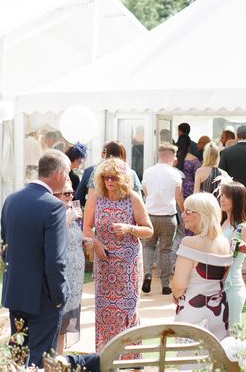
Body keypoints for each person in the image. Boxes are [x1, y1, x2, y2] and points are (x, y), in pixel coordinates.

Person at [0, 150, 100, 371]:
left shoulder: (11, 200)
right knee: (42, 359)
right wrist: (60, 295)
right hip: (44, 297)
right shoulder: (53, 206)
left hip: (15, 292)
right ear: (59, 173)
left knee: (17, 357)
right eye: (67, 175)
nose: (68, 180)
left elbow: (5, 249)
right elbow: (55, 259)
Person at [83, 158, 153, 352]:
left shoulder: (132, 198)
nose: (109, 181)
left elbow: (149, 230)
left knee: (128, 309)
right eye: (105, 177)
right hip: (105, 264)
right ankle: (105, 356)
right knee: (105, 310)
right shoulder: (97, 197)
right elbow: (86, 227)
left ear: (122, 178)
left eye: (113, 177)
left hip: (128, 265)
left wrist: (130, 228)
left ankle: (130, 357)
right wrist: (96, 243)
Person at [172, 193, 234, 340]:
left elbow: (179, 286)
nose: (183, 214)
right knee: (215, 358)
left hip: (193, 312)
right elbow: (223, 279)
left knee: (188, 359)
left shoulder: (189, 242)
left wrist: (175, 295)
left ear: (202, 215)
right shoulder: (225, 243)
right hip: (219, 312)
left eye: (188, 211)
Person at [141, 144, 184, 295]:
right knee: (165, 250)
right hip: (168, 216)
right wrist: (184, 211)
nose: (175, 158)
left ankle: (147, 274)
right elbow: (178, 196)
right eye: (174, 156)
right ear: (168, 156)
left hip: (150, 215)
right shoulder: (175, 173)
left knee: (148, 246)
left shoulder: (148, 172)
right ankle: (165, 284)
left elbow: (145, 191)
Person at [54, 178, 85, 354]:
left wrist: (85, 241)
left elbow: (73, 239)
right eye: (66, 193)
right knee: (58, 319)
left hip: (76, 277)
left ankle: (59, 357)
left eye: (72, 193)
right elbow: (55, 240)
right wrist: (66, 220)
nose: (71, 196)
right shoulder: (56, 215)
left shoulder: (71, 212)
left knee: (66, 322)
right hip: (64, 274)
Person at [219, 181, 246, 328]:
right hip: (219, 281)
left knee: (233, 332)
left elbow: (232, 254)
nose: (222, 199)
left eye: (228, 196)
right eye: (222, 195)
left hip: (232, 284)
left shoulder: (242, 227)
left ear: (237, 200)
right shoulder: (224, 222)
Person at [176, 134, 201, 233]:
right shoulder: (194, 159)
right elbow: (198, 175)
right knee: (190, 215)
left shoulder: (175, 159)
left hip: (176, 190)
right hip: (190, 191)